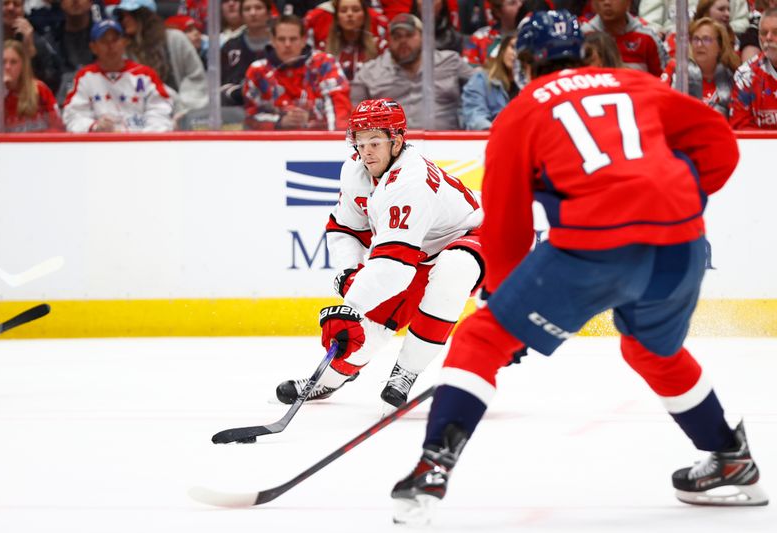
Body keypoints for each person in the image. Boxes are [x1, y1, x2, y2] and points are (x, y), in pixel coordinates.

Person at [391, 10, 768, 526]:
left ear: (525, 63)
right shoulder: (634, 83)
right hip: (681, 242)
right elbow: (719, 141)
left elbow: (506, 229)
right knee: (651, 350)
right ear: (585, 52)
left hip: (595, 246)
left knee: (481, 339)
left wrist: (502, 305)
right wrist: (684, 195)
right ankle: (731, 458)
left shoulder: (520, 113)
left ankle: (432, 465)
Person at [276, 98, 485, 410]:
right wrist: (349, 273)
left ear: (397, 141)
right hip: (422, 251)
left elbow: (395, 266)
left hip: (479, 235)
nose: (366, 151)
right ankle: (328, 379)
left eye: (375, 141)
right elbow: (344, 229)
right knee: (370, 327)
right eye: (360, 142)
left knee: (454, 270)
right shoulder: (354, 172)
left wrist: (351, 306)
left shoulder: (410, 180)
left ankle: (406, 372)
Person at [350, 13, 475, 129]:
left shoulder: (450, 61)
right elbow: (354, 118)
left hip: (447, 144)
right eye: (397, 36)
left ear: (423, 37)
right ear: (388, 41)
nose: (403, 41)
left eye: (409, 35)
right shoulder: (368, 72)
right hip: (390, 147)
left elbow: (483, 86)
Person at [62, 19, 174, 132]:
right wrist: (94, 126)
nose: (111, 46)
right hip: (98, 145)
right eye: (104, 41)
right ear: (93, 47)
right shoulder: (84, 77)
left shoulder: (145, 75)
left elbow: (161, 111)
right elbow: (73, 116)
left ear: (124, 42)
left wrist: (144, 136)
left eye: (115, 40)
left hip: (140, 143)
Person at [242, 13, 351, 130]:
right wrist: (279, 122)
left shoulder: (324, 63)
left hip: (320, 141)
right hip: (273, 143)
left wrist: (315, 123)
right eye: (281, 39)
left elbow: (340, 108)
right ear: (272, 41)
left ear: (304, 40)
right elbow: (250, 117)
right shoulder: (257, 71)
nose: (287, 44)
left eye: (293, 39)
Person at [114, 0, 209, 115]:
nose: (125, 20)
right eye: (122, 16)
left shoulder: (176, 39)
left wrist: (182, 110)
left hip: (183, 113)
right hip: (142, 117)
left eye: (130, 14)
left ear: (145, 15)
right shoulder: (123, 50)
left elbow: (195, 77)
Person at [0, 39, 63, 131]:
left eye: (13, 62)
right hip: (4, 145)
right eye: (3, 62)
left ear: (23, 65)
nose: (7, 67)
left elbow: (58, 126)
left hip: (37, 144)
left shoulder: (39, 90)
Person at [661, 17, 740, 116]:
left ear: (720, 46)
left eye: (706, 39)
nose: (699, 44)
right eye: (696, 39)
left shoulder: (733, 77)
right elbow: (659, 102)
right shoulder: (676, 69)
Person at [582, 0, 668, 76]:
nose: (607, 2)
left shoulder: (647, 37)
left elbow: (663, 80)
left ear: (628, 2)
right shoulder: (582, 36)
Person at [461, 33, 520, 130]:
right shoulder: (481, 79)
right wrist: (498, 133)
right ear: (503, 50)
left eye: (520, 49)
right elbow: (475, 115)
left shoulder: (533, 84)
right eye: (512, 47)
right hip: (489, 139)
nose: (515, 54)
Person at [730, 7, 777, 128]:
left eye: (776, 32)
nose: (768, 38)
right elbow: (741, 128)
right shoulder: (746, 75)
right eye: (763, 33)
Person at [219, 0, 271, 106]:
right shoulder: (230, 47)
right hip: (236, 109)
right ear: (241, 15)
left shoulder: (280, 44)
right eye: (247, 9)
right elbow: (220, 87)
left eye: (258, 8)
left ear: (268, 13)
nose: (253, 13)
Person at [320, 0, 388, 80]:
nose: (350, 14)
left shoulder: (380, 47)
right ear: (337, 18)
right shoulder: (323, 49)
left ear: (365, 16)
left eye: (356, 10)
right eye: (343, 10)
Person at [462, 0, 523, 66]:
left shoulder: (532, 35)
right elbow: (468, 68)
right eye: (512, 3)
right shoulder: (479, 37)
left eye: (522, 1)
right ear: (498, 12)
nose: (520, 5)